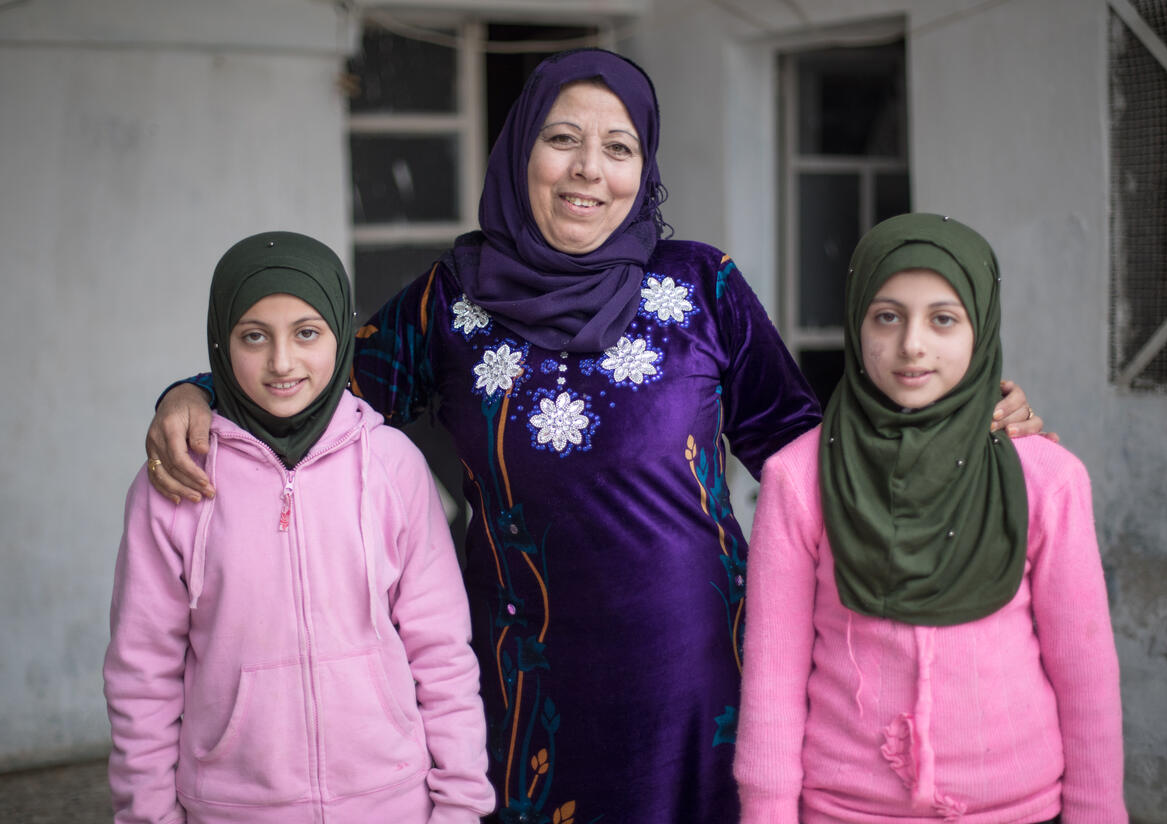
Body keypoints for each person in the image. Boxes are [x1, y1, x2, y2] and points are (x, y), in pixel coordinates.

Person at [143, 52, 1043, 822]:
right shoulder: (450, 300)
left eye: (619, 148)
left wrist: (956, 423)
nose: (588, 170)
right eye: (562, 138)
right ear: (520, 147)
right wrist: (194, 392)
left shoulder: (701, 285)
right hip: (522, 688)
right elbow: (308, 386)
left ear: (643, 167)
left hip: (701, 684)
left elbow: (804, 448)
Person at [734, 213, 1126, 823]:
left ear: (983, 327)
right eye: (886, 316)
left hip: (1019, 809)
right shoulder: (799, 479)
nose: (912, 343)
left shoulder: (1048, 479)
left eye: (944, 318)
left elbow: (1087, 679)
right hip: (846, 811)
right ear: (857, 320)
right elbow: (772, 683)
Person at [104, 231, 494, 823]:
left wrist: (462, 804)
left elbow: (441, 653)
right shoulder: (177, 481)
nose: (282, 362)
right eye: (253, 336)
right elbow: (142, 676)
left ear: (341, 334)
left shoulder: (392, 465)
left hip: (393, 803)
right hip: (232, 808)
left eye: (307, 333)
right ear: (219, 341)